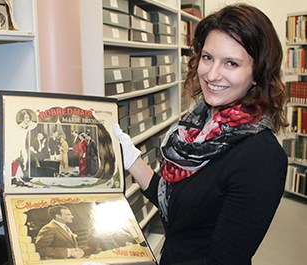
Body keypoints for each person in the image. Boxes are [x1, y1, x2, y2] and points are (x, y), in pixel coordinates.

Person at [114, 4, 288, 265]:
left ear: (257, 74)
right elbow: (177, 204)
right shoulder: (199, 126)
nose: (212, 74)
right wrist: (131, 159)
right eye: (208, 58)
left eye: (231, 63)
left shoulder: (261, 157)